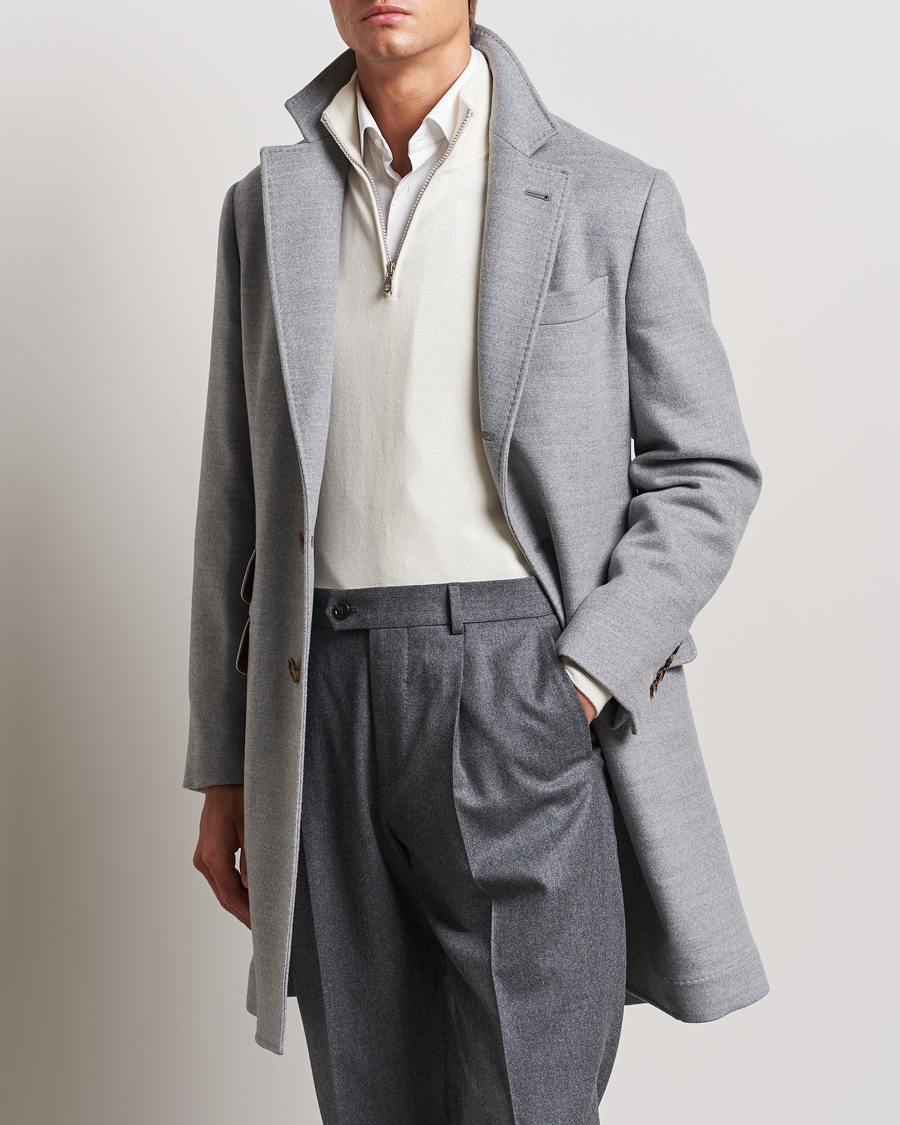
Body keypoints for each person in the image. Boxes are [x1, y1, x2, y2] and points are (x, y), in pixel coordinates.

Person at [185, 2, 769, 1121]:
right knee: (369, 1096)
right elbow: (235, 498)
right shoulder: (264, 208)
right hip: (318, 701)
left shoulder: (611, 195)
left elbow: (706, 470)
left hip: (517, 687)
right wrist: (225, 761)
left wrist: (580, 679)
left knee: (530, 1096)